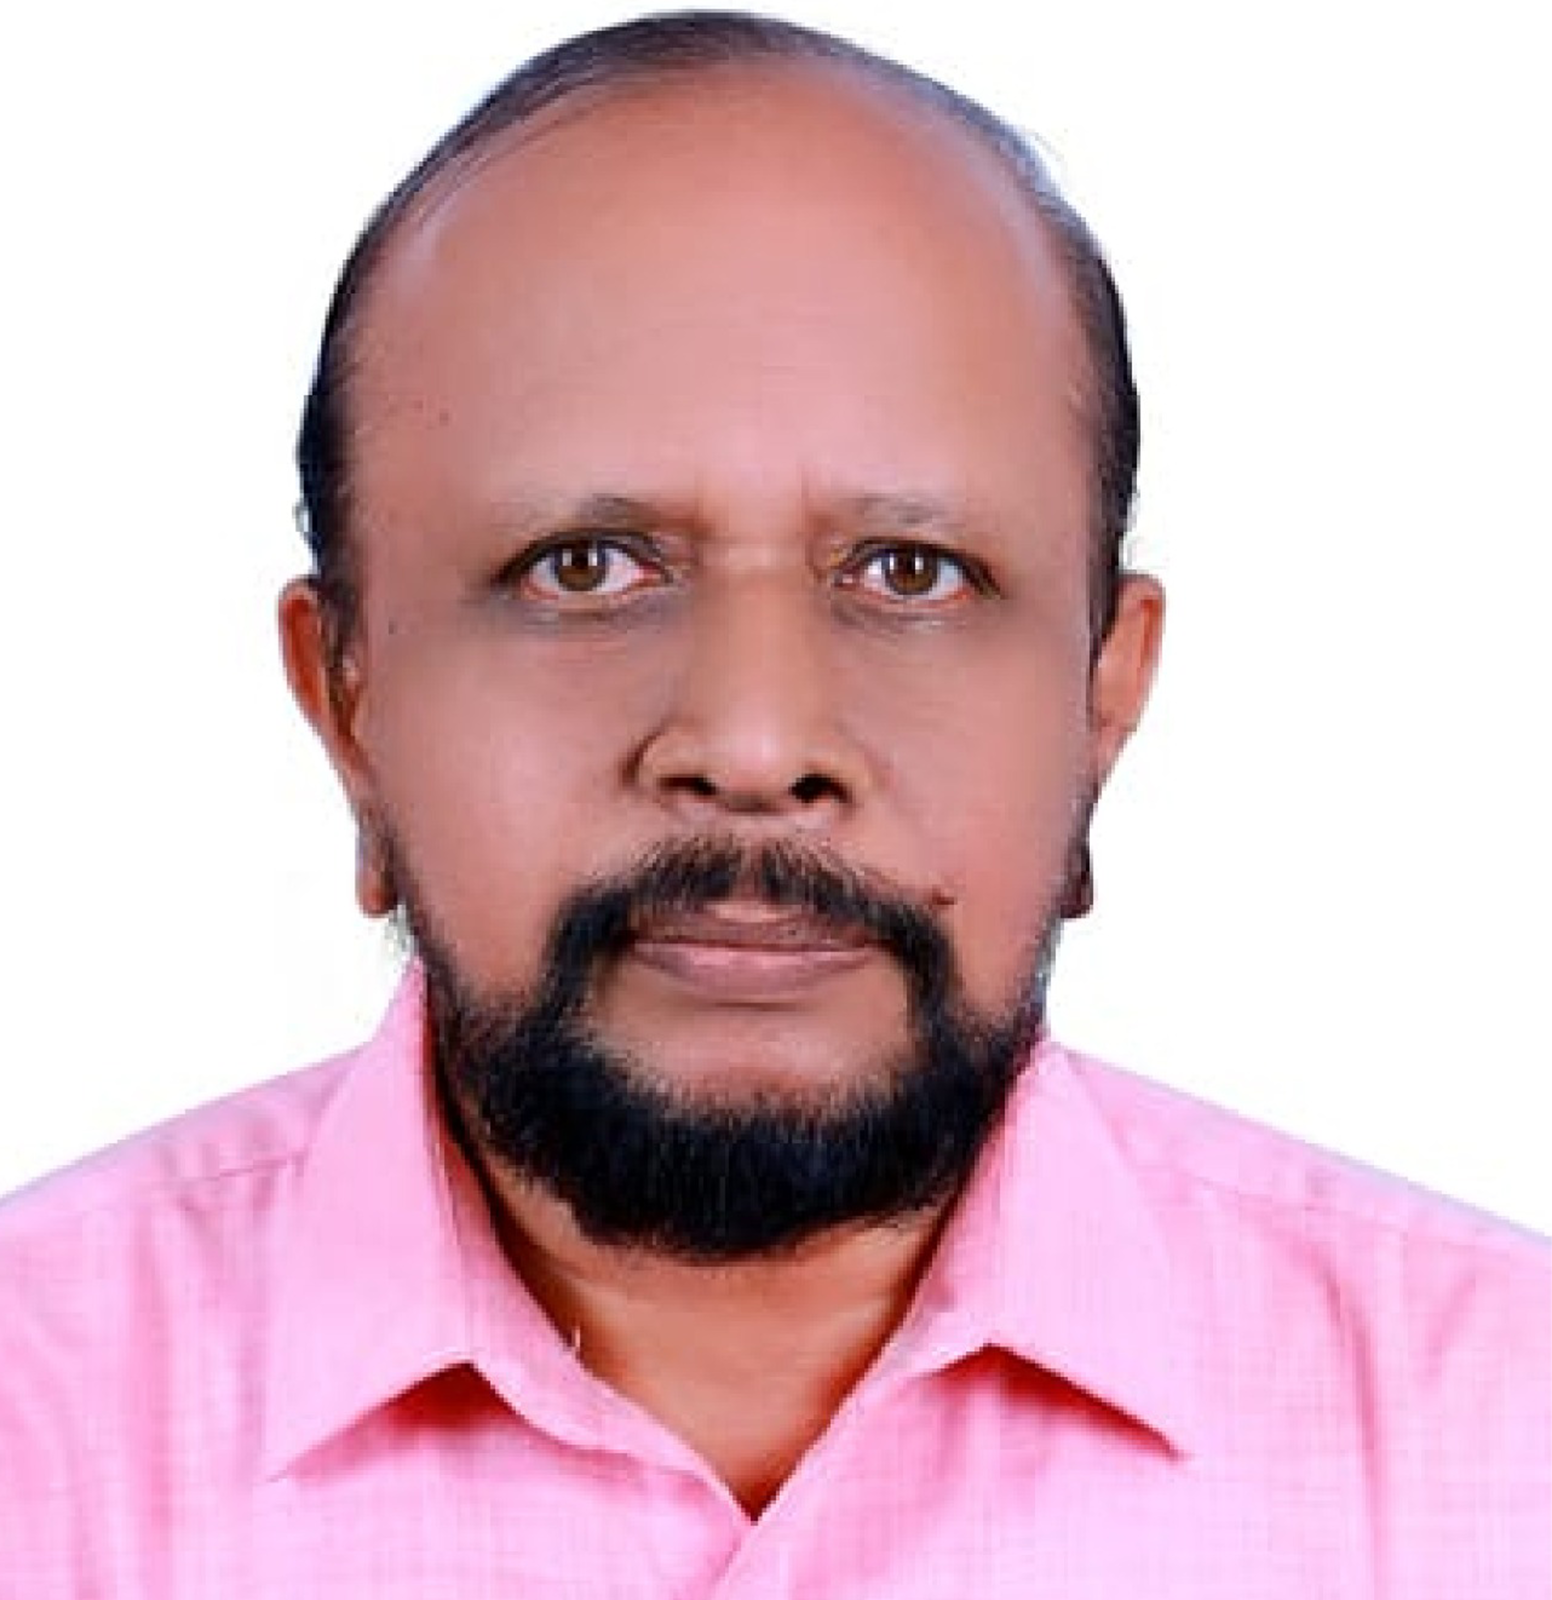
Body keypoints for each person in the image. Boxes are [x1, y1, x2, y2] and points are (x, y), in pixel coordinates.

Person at [1, 11, 1545, 1595]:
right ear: (349, 702)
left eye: (913, 574)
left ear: (1102, 700)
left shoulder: (1509, 1433)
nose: (752, 743)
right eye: (582, 569)